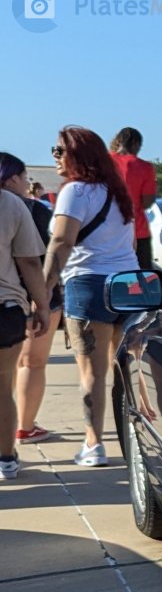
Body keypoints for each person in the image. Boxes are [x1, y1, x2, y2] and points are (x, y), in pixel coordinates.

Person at [41, 126, 139, 467]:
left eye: (58, 151)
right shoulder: (117, 191)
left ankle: (94, 446)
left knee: (92, 374)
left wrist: (43, 290)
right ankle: (139, 443)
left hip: (89, 285)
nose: (54, 157)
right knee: (129, 372)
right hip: (128, 286)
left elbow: (61, 243)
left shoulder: (75, 192)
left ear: (77, 156)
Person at [0, 153, 63, 443]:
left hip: (14, 302)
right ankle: (20, 434)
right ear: (12, 178)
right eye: (25, 177)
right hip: (18, 301)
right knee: (29, 366)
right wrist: (43, 301)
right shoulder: (29, 209)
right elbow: (34, 260)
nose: (27, 183)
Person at [0, 182, 48, 479]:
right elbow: (29, 261)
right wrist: (41, 305)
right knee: (3, 387)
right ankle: (5, 460)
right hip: (5, 307)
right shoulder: (11, 203)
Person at [109, 127, 157, 270]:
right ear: (136, 144)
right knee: (142, 278)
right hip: (137, 230)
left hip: (107, 231)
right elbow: (147, 202)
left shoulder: (103, 162)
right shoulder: (145, 167)